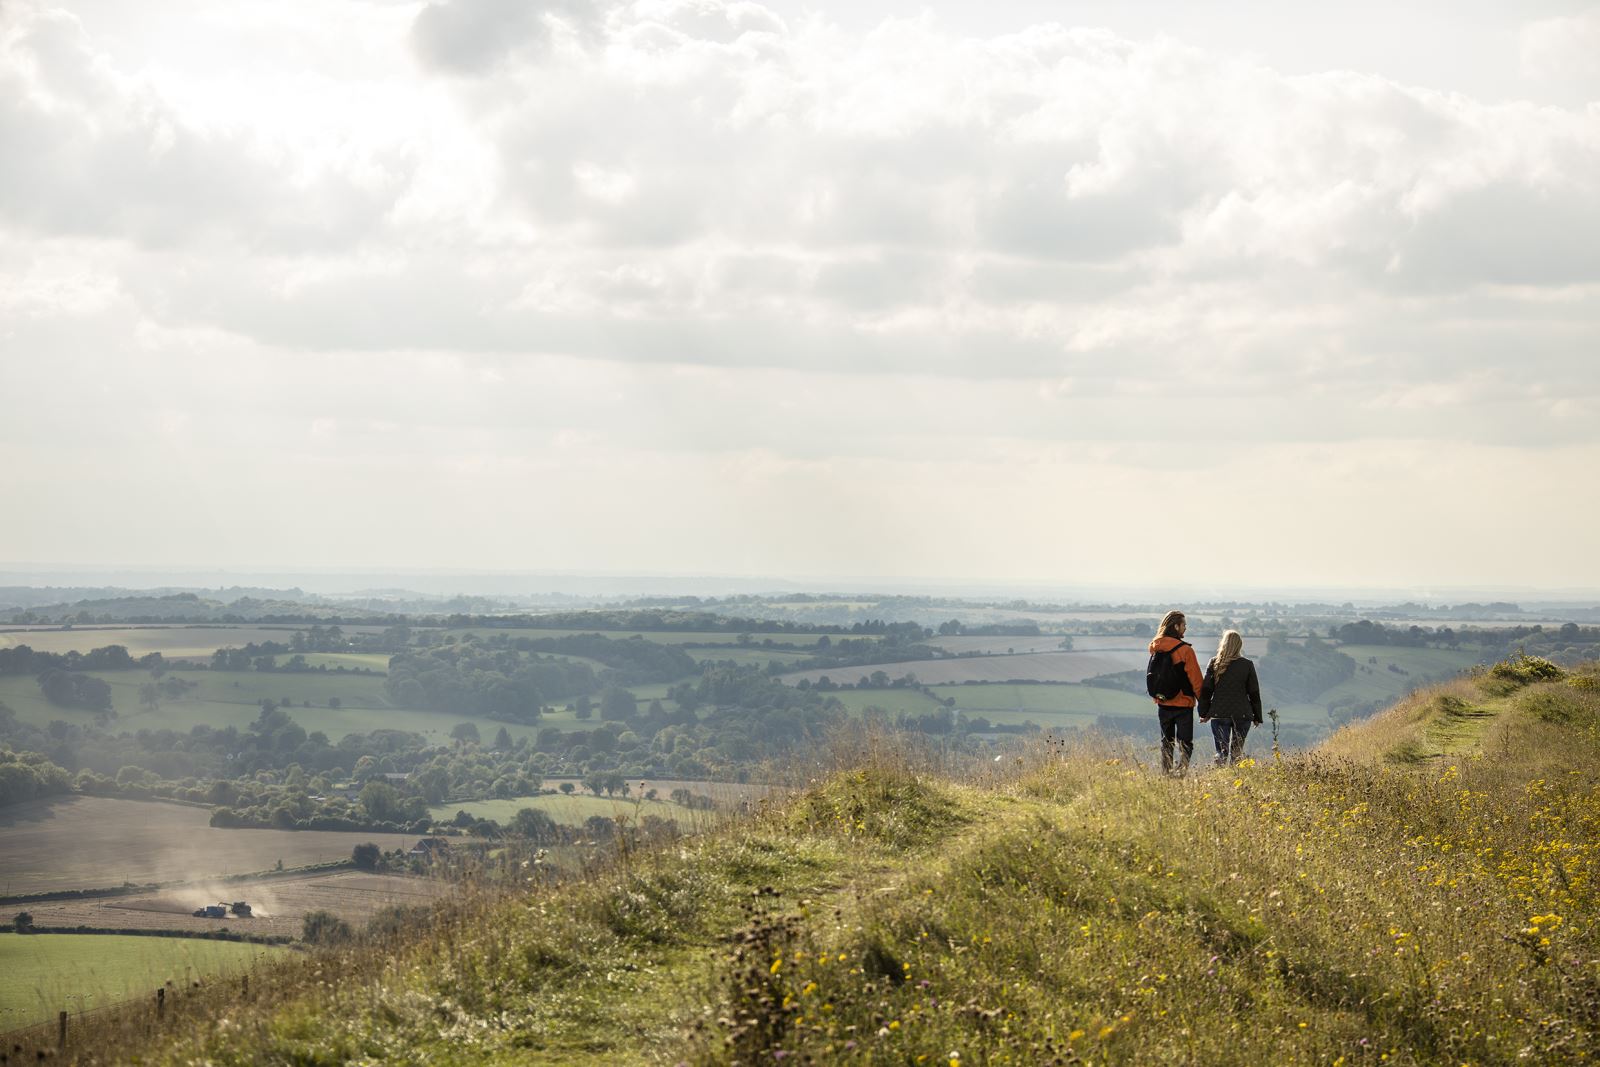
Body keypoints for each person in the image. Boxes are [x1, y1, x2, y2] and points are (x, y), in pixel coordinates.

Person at [1147, 610, 1205, 776]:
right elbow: (1196, 680)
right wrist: (1204, 705)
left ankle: (1166, 774)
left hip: (1163, 702)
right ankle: (1180, 774)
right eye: (1184, 625)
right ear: (1176, 626)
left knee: (1166, 742)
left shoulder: (1155, 647)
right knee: (1186, 743)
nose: (1185, 628)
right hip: (1183, 703)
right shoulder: (1185, 650)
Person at [1197, 630, 1262, 766]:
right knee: (1237, 752)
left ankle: (1219, 778)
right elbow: (1254, 692)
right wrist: (1257, 716)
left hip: (1219, 713)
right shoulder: (1247, 664)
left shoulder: (1214, 663)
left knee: (1221, 751)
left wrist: (1203, 713)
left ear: (1223, 644)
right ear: (1239, 645)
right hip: (1242, 714)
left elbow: (1206, 691)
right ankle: (1234, 779)